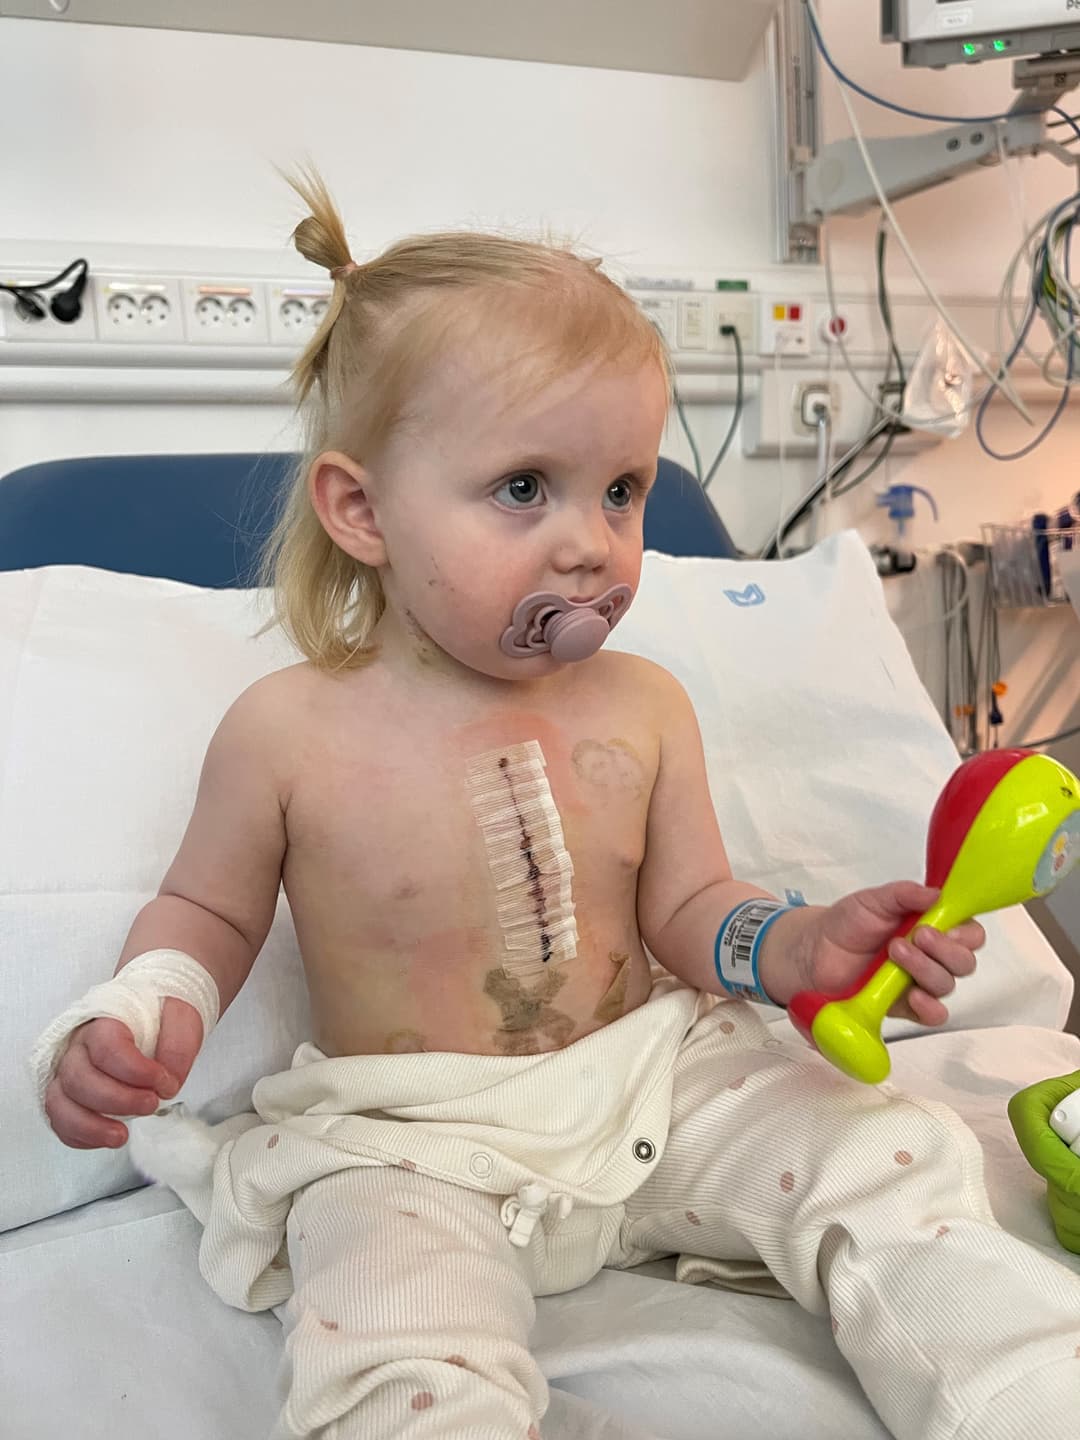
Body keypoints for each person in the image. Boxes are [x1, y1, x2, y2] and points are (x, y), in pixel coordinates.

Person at [31, 169, 1080, 1440]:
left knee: (887, 1156)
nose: (592, 543)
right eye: (525, 488)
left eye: (622, 490)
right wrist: (146, 1005)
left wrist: (799, 948)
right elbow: (206, 911)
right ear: (361, 509)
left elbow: (694, 906)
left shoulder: (643, 705)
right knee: (387, 1337)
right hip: (408, 1141)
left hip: (654, 1086)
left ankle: (1027, 1395)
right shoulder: (287, 732)